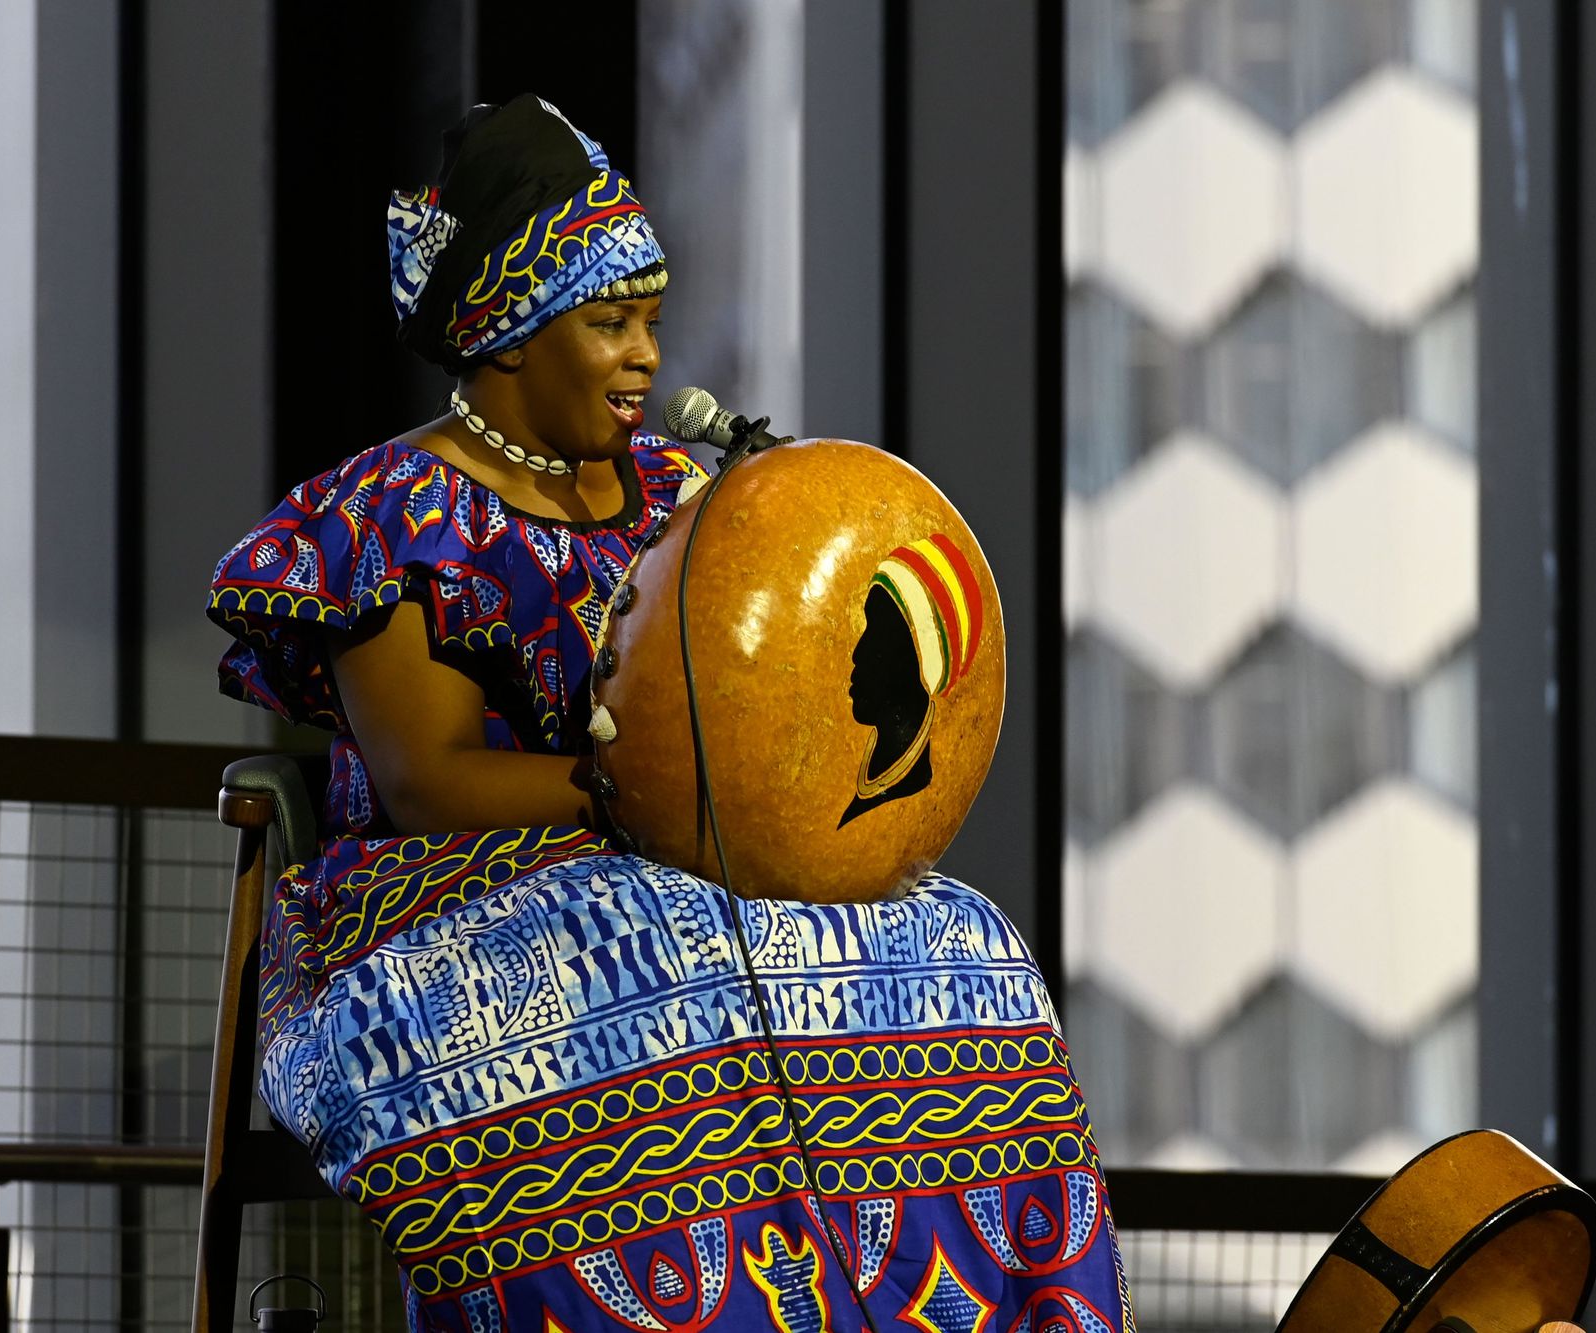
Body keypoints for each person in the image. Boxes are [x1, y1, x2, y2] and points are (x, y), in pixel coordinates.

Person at [209, 95, 1132, 1332]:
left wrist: (753, 798)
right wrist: (661, 797)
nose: (646, 354)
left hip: (696, 859)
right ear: (506, 335)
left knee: (961, 943)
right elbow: (427, 780)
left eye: (649, 320)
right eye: (608, 325)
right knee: (652, 951)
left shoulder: (687, 493)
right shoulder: (392, 514)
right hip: (454, 891)